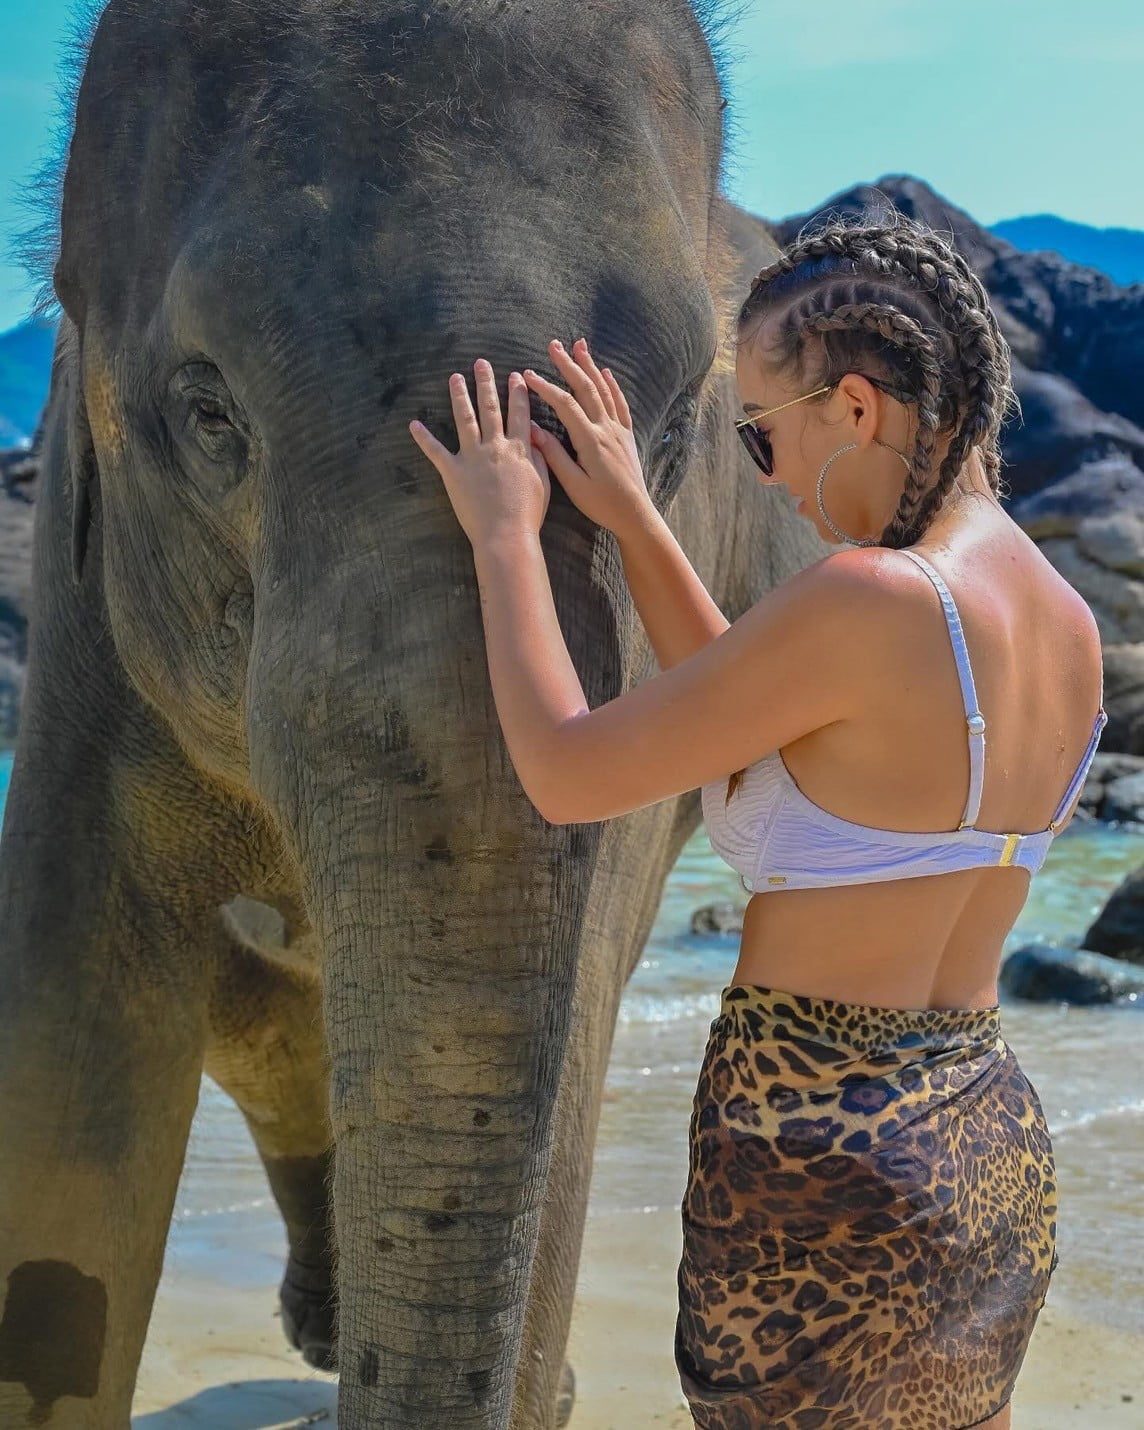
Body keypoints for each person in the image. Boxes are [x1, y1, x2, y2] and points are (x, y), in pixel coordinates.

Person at [407, 207, 1107, 1429]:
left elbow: (569, 772)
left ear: (854, 405)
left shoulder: (871, 596)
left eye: (759, 433)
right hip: (987, 1146)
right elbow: (767, 736)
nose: (763, 476)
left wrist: (506, 538)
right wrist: (632, 517)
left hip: (821, 1166)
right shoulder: (1064, 623)